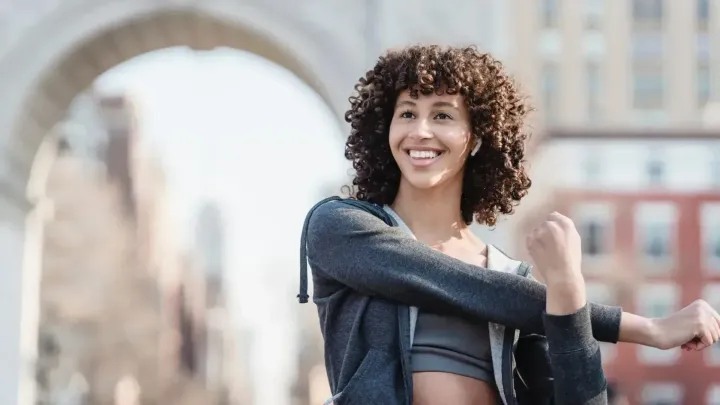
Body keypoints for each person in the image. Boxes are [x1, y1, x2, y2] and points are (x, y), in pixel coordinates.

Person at [298, 45, 720, 405]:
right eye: (407, 113)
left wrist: (568, 291)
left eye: (442, 115)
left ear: (477, 136)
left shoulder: (508, 276)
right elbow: (464, 286)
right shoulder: (340, 227)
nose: (420, 131)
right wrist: (648, 328)